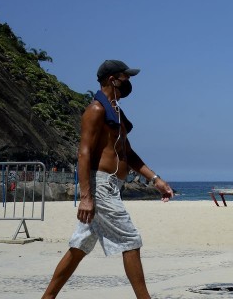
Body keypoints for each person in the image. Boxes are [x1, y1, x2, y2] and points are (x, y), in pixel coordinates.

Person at [43, 60, 173, 299]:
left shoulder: (116, 112)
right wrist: (86, 197)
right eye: (126, 77)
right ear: (112, 79)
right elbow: (83, 153)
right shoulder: (96, 110)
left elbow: (128, 153)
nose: (129, 82)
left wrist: (156, 179)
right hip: (101, 185)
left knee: (80, 245)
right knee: (130, 240)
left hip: (112, 185)